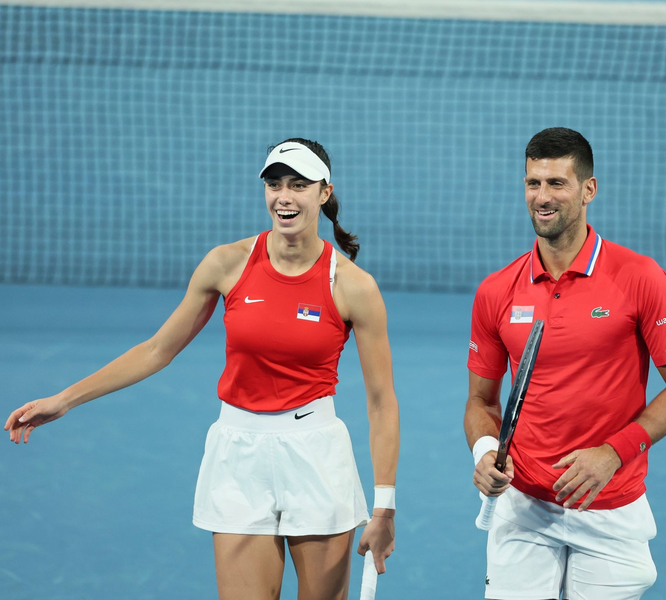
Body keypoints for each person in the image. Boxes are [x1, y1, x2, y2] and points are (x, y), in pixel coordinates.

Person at [5, 138, 400, 600]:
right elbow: (157, 350)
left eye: (298, 185)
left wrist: (385, 508)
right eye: (274, 184)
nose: (284, 197)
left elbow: (381, 402)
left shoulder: (354, 287)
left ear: (324, 192)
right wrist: (64, 400)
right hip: (239, 456)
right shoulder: (226, 263)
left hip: (315, 455)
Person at [464, 127, 666, 600]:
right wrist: (483, 452)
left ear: (588, 189)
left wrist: (613, 453)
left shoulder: (640, 278)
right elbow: (480, 400)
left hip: (609, 507)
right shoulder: (496, 291)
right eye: (533, 183)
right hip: (524, 507)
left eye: (557, 183)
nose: (542, 197)